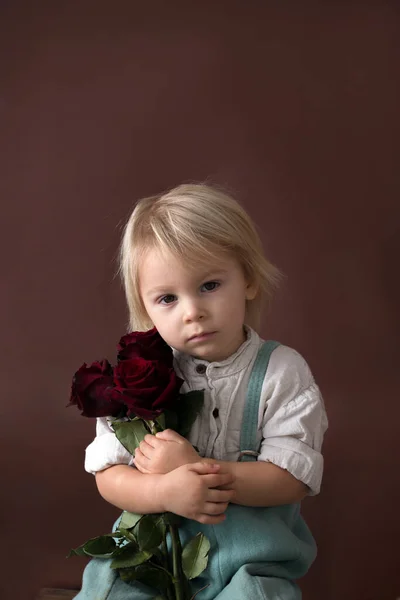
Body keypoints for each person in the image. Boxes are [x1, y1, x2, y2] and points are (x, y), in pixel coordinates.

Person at [77, 183, 328, 600]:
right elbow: (109, 475)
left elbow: (292, 478)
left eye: (209, 285)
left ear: (247, 278)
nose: (192, 311)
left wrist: (199, 470)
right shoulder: (138, 377)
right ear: (145, 306)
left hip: (249, 561)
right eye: (167, 298)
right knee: (108, 589)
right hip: (150, 554)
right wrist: (162, 490)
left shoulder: (280, 372)